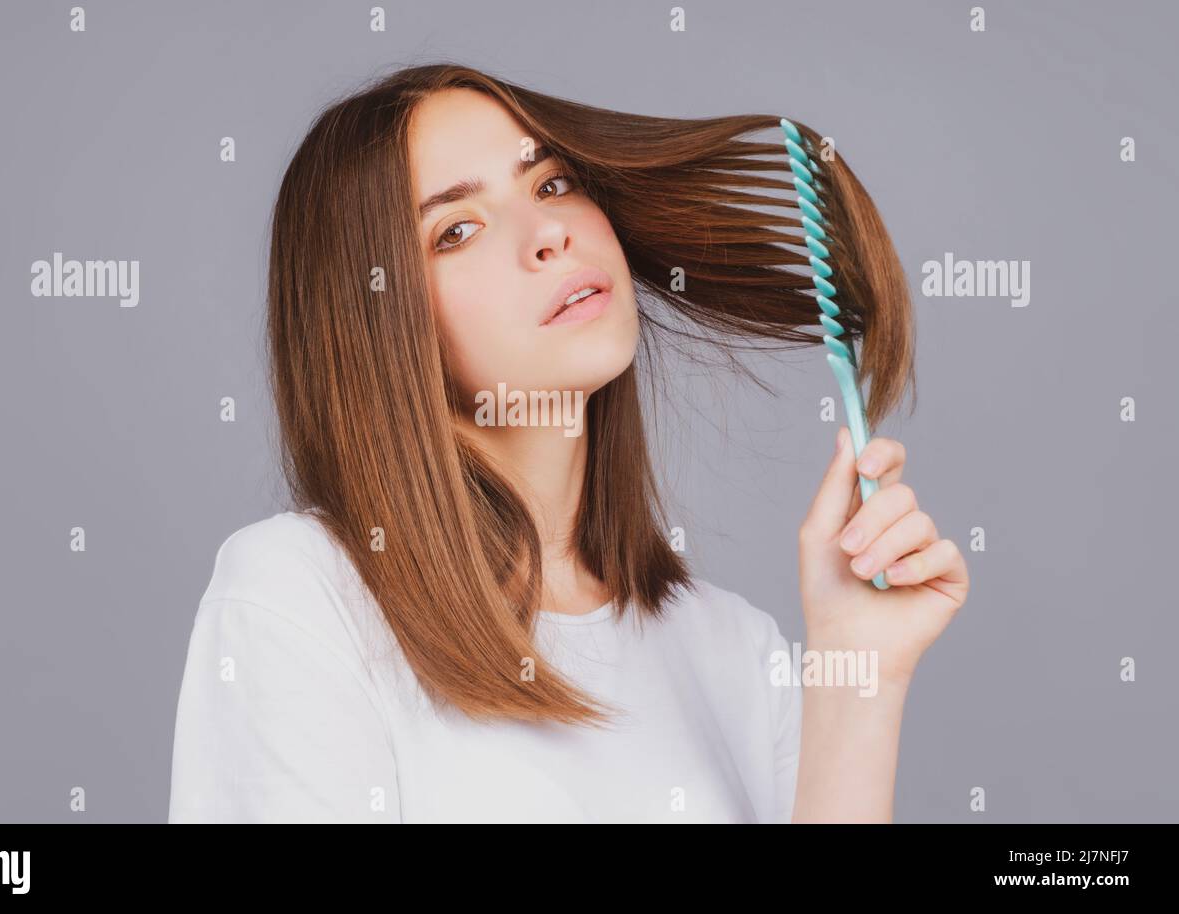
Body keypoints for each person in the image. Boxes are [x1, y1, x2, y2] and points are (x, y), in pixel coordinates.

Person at [167, 64, 969, 824]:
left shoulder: (730, 650)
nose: (548, 230)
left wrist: (860, 675)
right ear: (372, 323)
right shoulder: (301, 599)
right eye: (456, 229)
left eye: (552, 183)